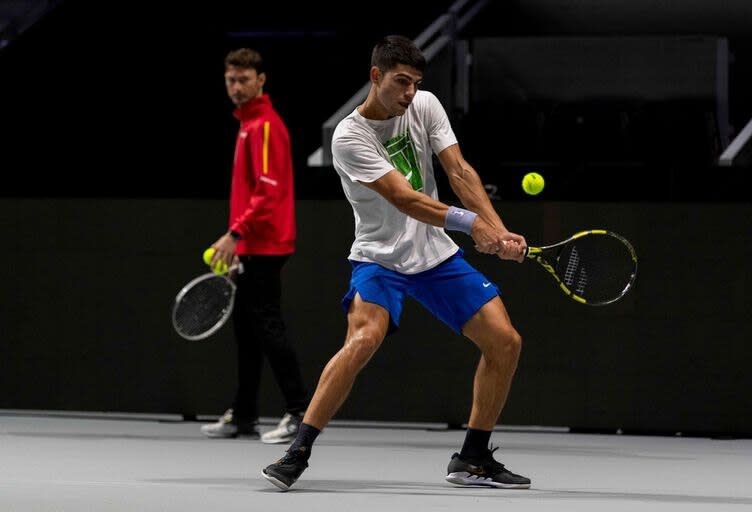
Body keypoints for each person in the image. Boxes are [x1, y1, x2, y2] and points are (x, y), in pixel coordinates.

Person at [262, 35, 531, 490]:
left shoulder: (424, 105)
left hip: (434, 254)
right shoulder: (349, 137)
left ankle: (473, 457)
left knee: (505, 342)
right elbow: (404, 198)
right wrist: (472, 225)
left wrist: (498, 230)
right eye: (400, 82)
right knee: (364, 338)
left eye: (415, 82)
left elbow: (460, 172)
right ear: (375, 76)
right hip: (379, 258)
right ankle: (299, 450)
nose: (409, 92)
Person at [201, 48, 309, 444]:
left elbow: (267, 192)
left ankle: (299, 411)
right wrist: (238, 242)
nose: (237, 87)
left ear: (261, 80)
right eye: (231, 79)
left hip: (264, 243)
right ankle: (244, 414)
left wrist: (235, 235)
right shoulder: (247, 124)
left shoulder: (263, 125)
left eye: (244, 79)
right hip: (250, 244)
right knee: (246, 331)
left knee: (267, 326)